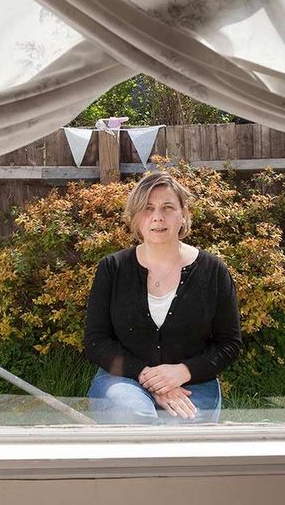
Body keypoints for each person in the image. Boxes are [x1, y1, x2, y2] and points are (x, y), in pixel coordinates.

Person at [84, 171, 242, 424]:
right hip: (123, 379)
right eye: (148, 208)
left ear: (184, 215)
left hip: (192, 382)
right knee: (134, 415)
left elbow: (228, 344)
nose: (157, 217)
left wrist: (182, 371)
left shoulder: (213, 270)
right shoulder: (112, 268)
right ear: (136, 219)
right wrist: (149, 377)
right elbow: (96, 341)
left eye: (168, 207)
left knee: (178, 429)